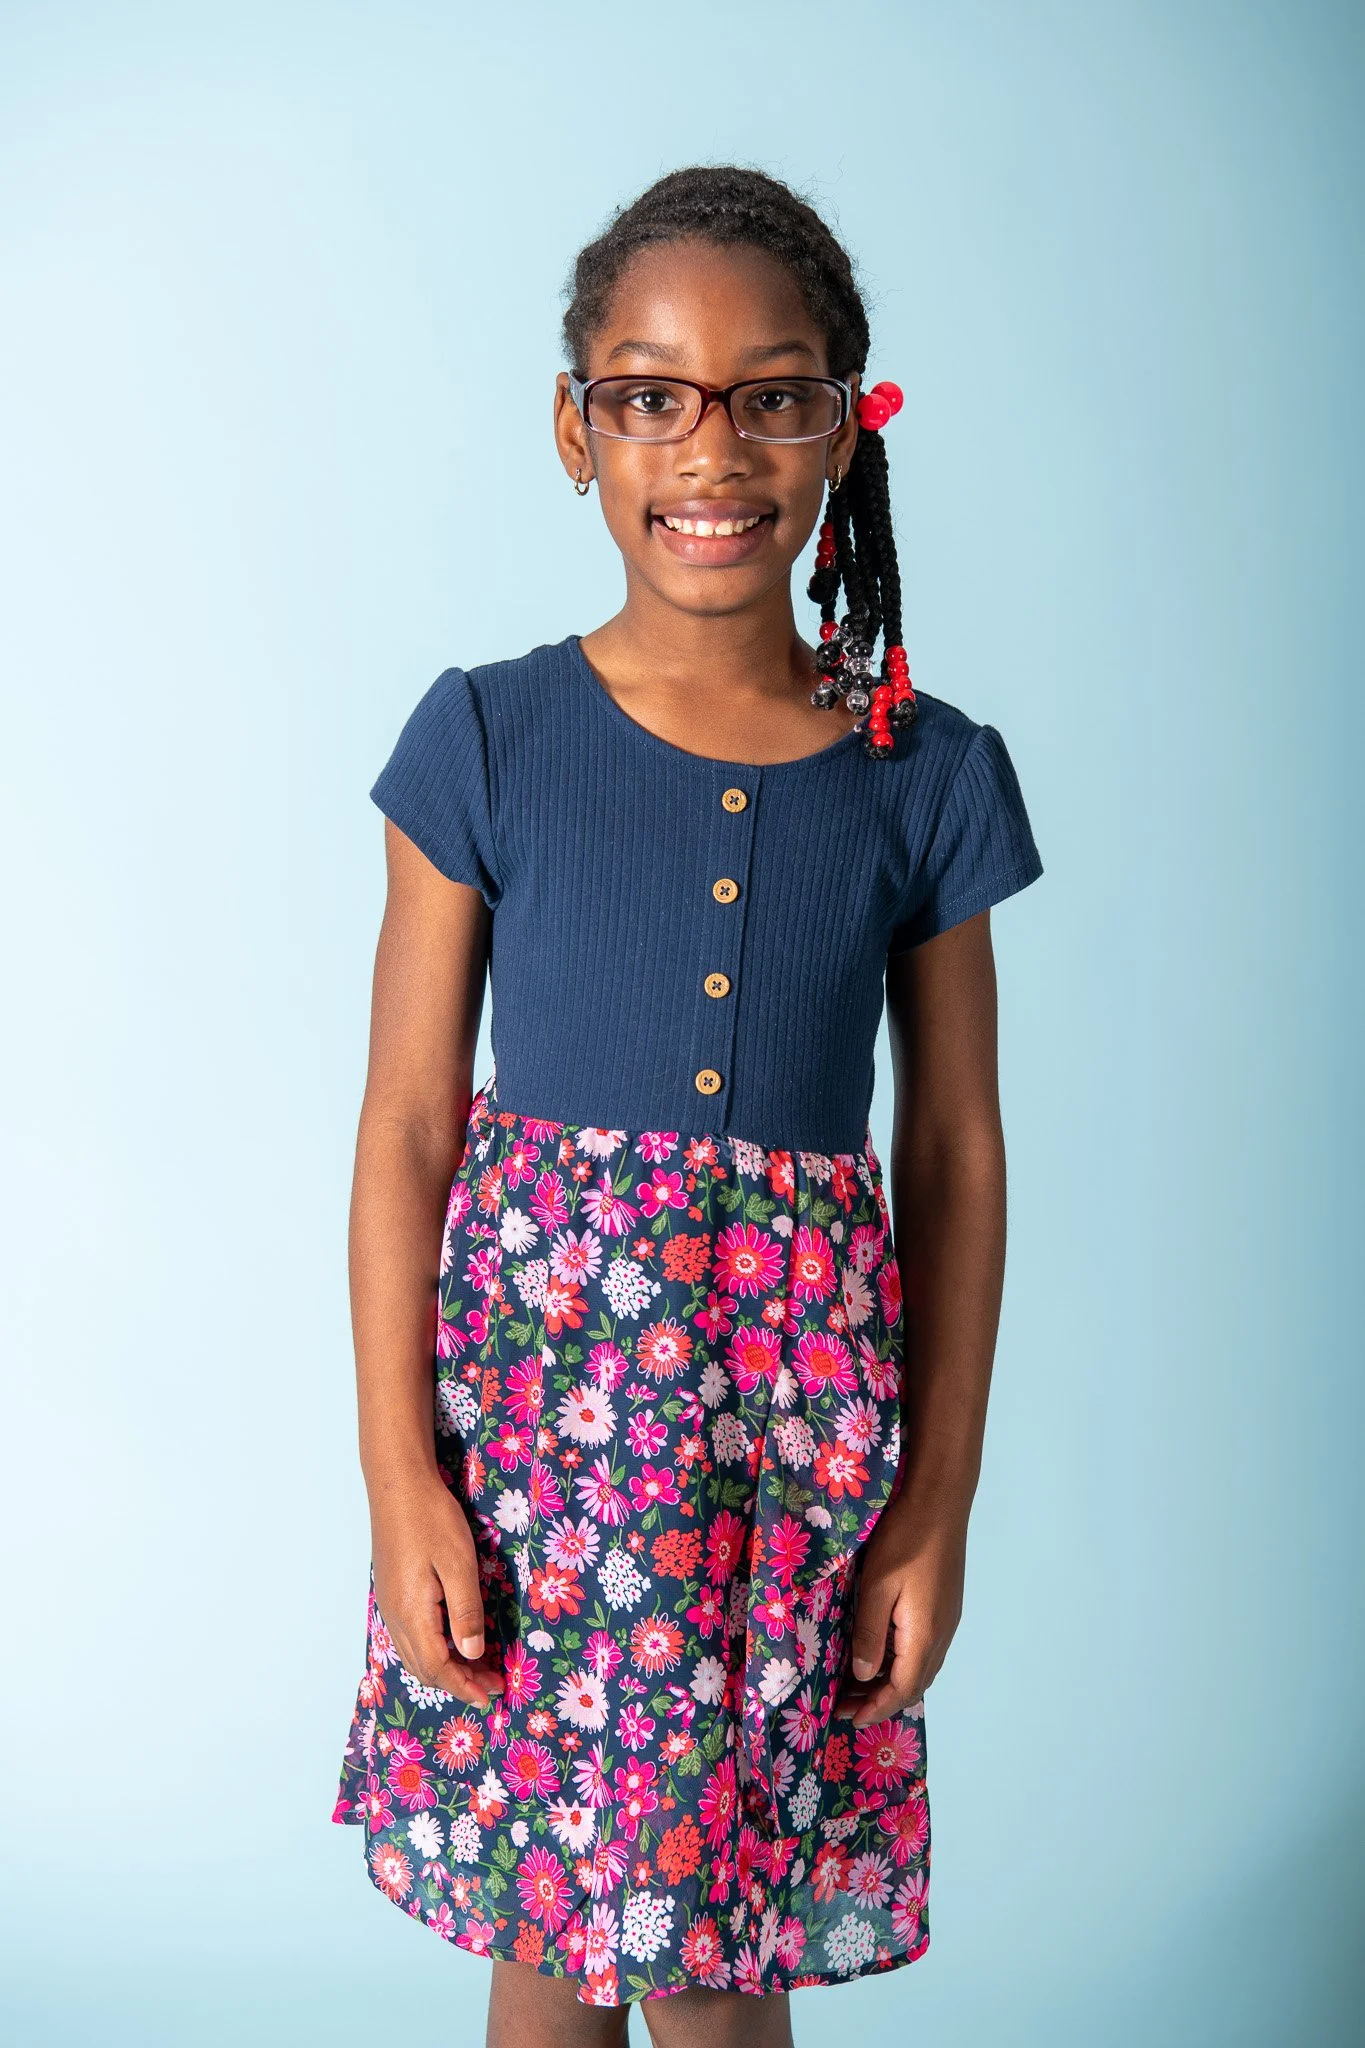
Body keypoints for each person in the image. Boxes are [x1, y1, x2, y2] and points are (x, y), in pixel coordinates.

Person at [332, 165, 1043, 2048]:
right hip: (544, 1446)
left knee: (728, 1962)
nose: (706, 448)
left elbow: (955, 1152)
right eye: (648, 393)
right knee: (555, 1945)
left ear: (844, 424)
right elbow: (408, 1130)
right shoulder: (483, 736)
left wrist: (936, 1501)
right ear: (578, 430)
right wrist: (402, 1475)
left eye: (770, 392)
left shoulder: (929, 774)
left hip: (789, 1455)